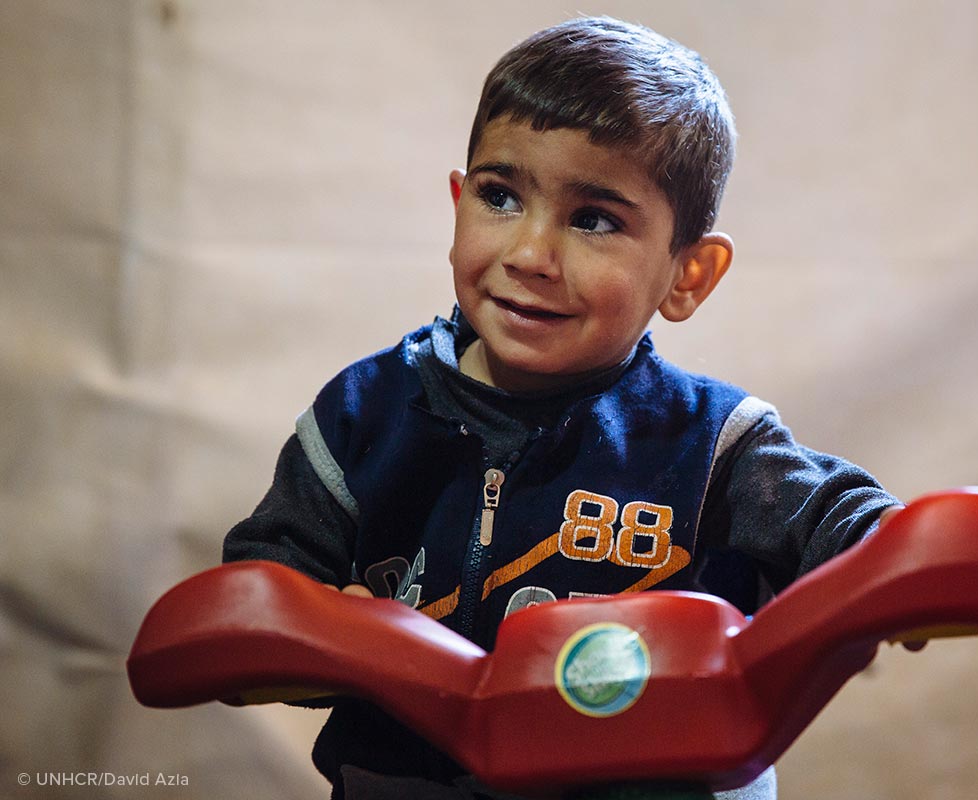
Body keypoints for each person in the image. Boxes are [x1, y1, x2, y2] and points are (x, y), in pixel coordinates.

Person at [223, 16, 900, 800]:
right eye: (501, 197)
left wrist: (888, 576)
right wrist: (324, 634)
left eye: (593, 219)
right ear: (457, 203)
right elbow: (259, 588)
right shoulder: (360, 416)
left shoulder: (713, 443)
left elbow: (850, 523)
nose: (530, 256)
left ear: (688, 275)